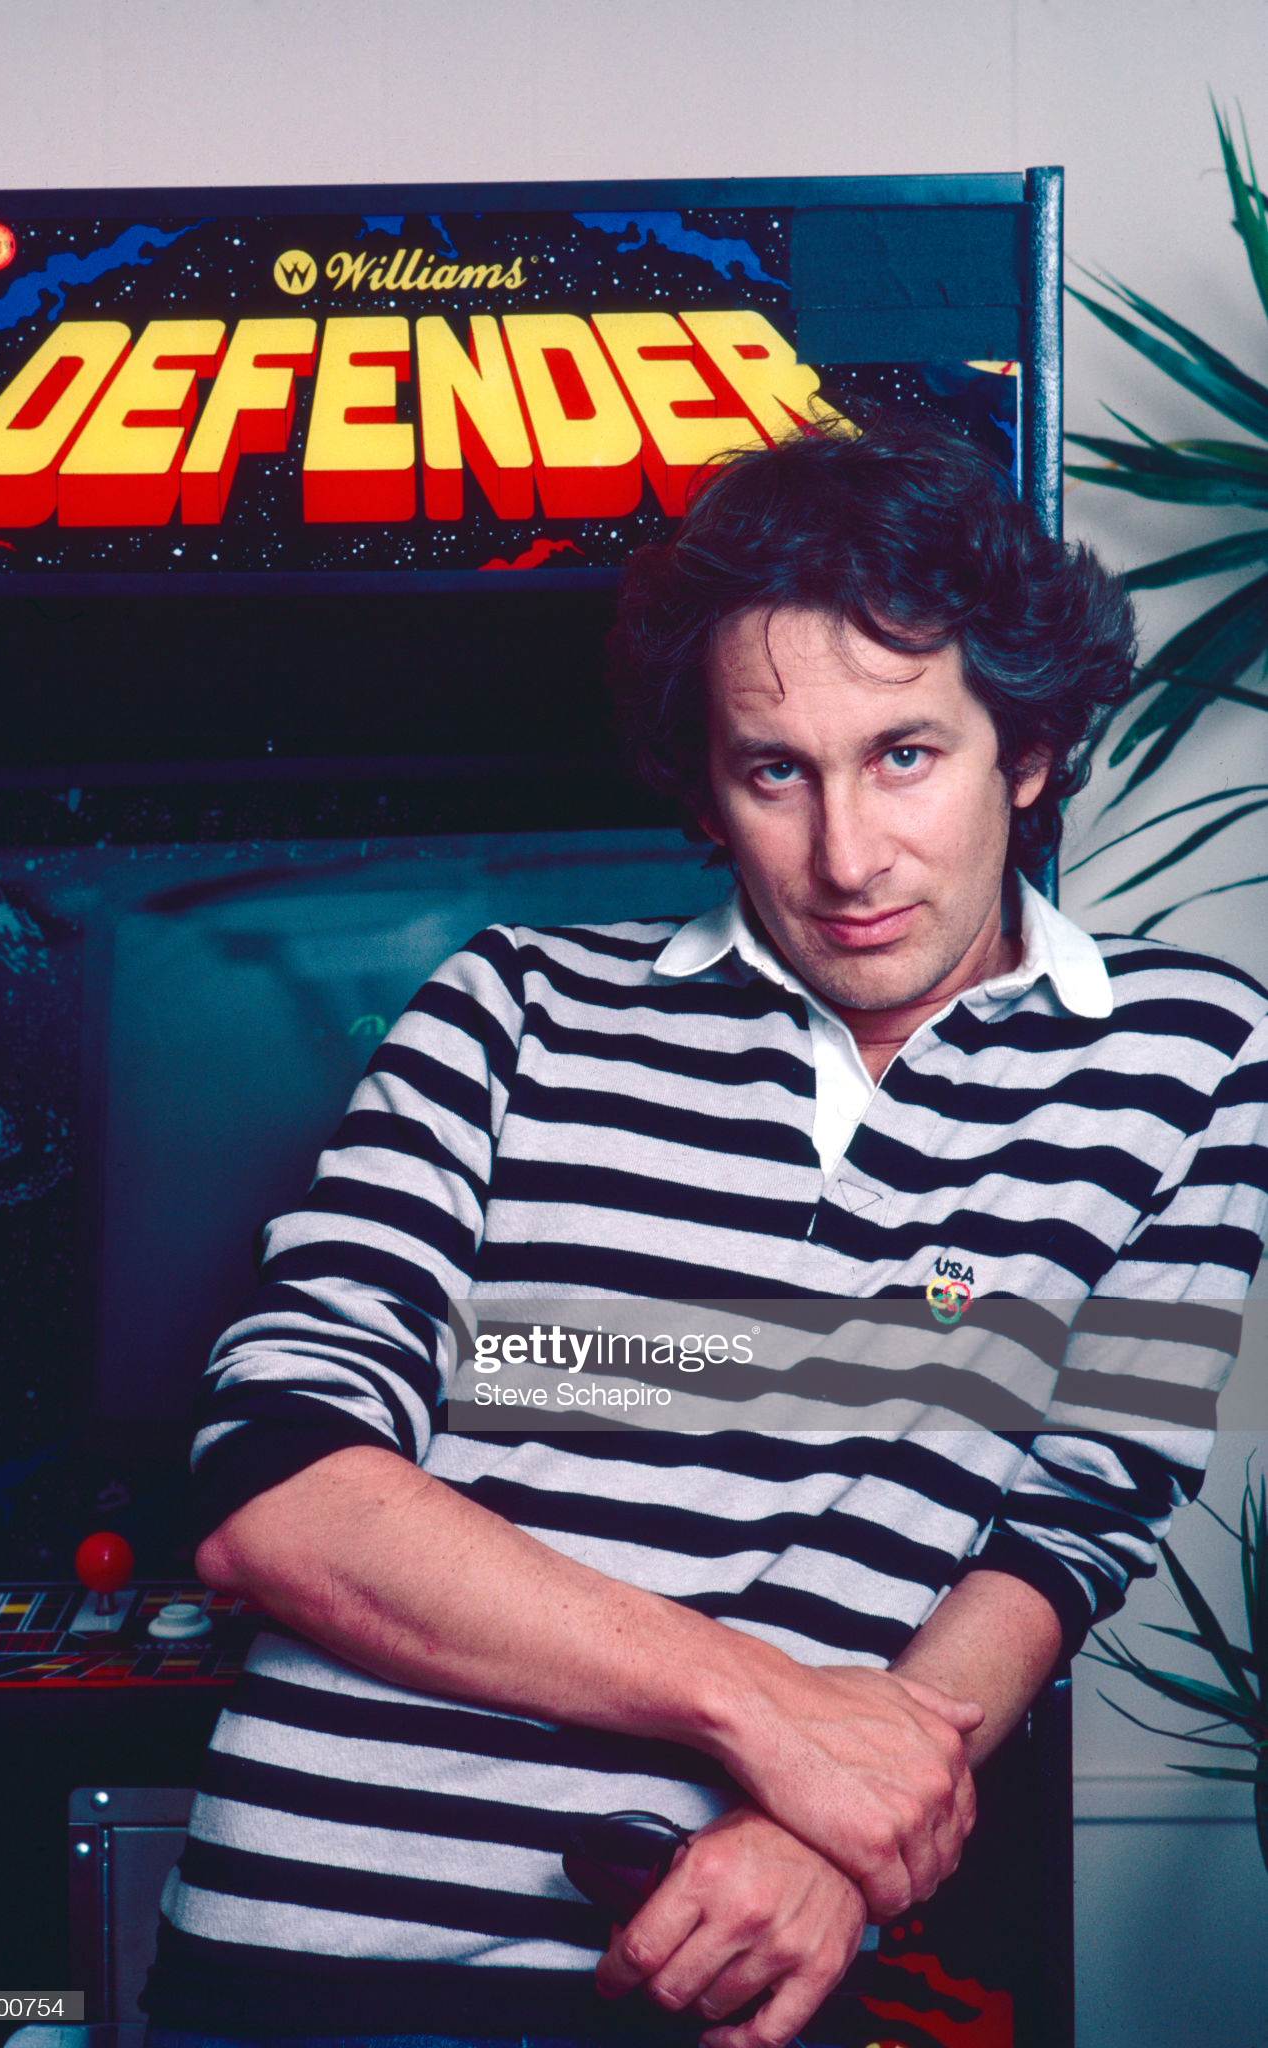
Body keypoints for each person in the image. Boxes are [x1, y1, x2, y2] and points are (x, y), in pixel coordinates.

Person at [142, 417, 1268, 2048]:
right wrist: (772, 1717)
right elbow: (276, 1489)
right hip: (305, 1961)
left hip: (726, 1959)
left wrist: (836, 1839)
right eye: (775, 772)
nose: (847, 858)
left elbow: (1071, 1524)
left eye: (905, 755)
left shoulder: (1188, 1058)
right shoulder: (512, 1007)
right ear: (710, 785)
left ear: (1025, 751)